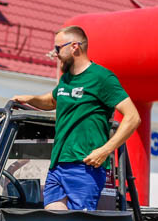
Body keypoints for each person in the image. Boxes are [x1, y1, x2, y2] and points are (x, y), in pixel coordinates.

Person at [11, 26, 141, 211]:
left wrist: (105, 151)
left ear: (74, 47)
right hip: (58, 165)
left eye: (57, 49)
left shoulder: (102, 77)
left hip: (84, 166)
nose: (55, 54)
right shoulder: (66, 79)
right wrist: (30, 98)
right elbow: (52, 100)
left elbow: (133, 117)